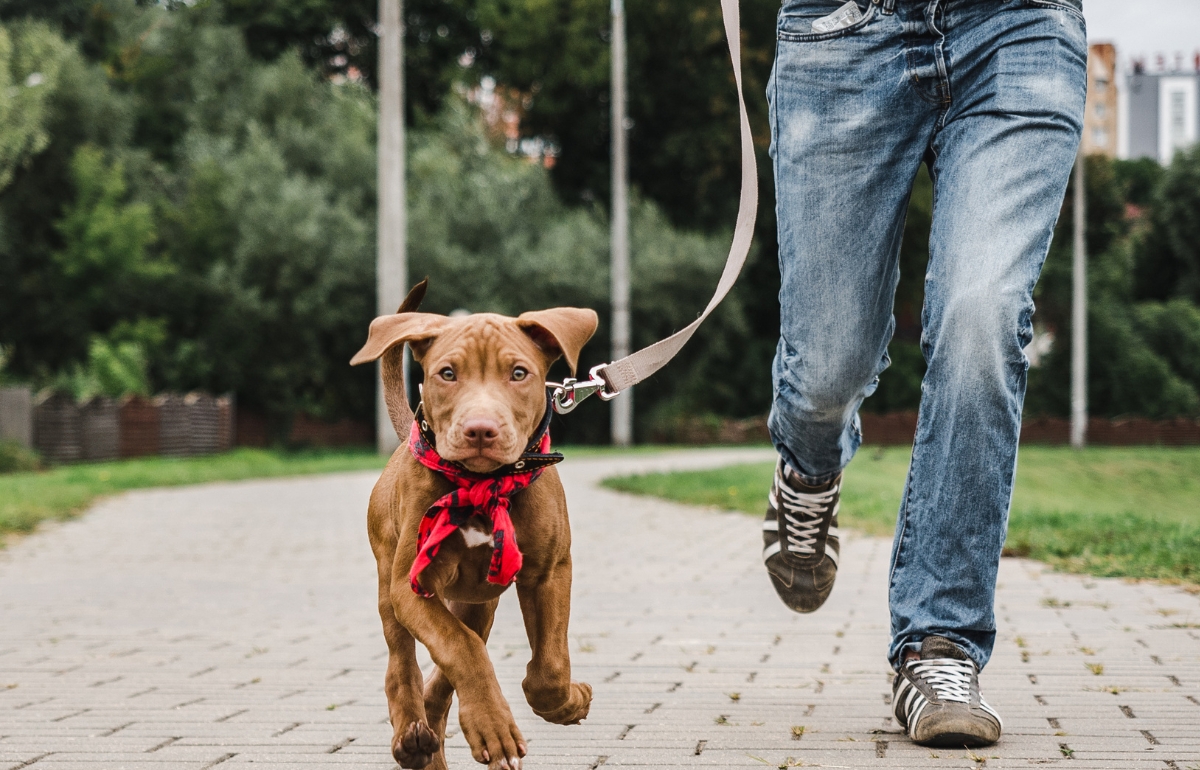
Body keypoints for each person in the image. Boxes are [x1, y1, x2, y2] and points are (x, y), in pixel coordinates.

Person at [760, 0, 1086, 748]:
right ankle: (808, 469)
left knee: (982, 317)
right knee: (828, 368)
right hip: (840, 33)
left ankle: (939, 643)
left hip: (1019, 27)